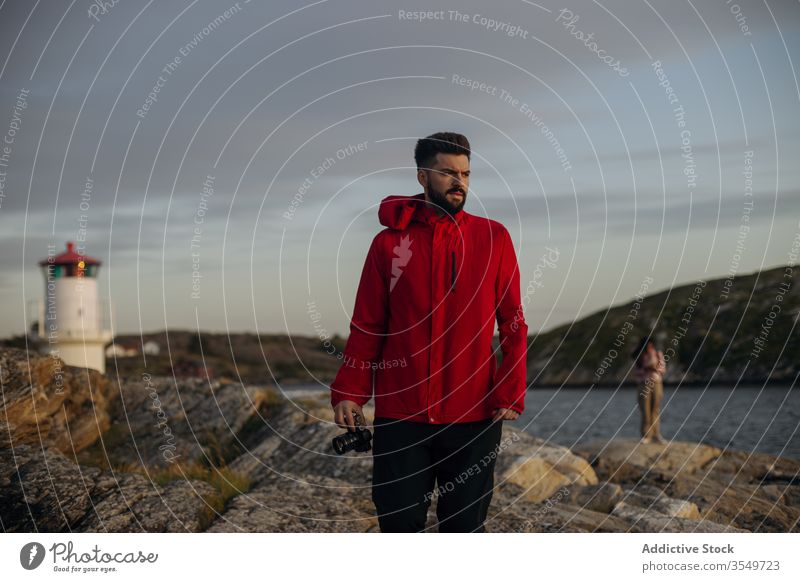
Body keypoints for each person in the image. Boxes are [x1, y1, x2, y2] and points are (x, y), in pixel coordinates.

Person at [329, 131, 528, 532]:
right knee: (399, 526)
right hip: (401, 416)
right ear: (422, 177)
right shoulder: (388, 244)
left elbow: (513, 323)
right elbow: (368, 325)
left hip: (474, 416)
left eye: (466, 173)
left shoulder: (493, 237)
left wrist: (510, 390)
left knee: (464, 528)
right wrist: (349, 391)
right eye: (448, 172)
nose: (459, 182)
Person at [631, 337, 666, 444]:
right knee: (645, 410)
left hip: (656, 383)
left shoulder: (657, 354)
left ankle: (656, 434)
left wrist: (654, 368)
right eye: (648, 346)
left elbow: (663, 369)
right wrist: (646, 368)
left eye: (651, 345)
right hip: (643, 384)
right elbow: (636, 372)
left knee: (655, 409)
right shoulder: (639, 356)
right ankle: (646, 435)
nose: (650, 348)